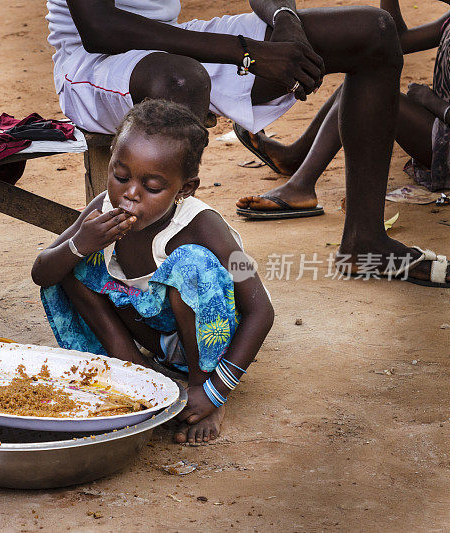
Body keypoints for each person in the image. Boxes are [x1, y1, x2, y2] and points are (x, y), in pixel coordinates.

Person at [46, 0, 450, 287]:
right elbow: (99, 27)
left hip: (172, 42)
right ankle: (146, 277)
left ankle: (366, 241)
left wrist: (284, 17)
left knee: (373, 32)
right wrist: (247, 53)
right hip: (91, 61)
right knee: (182, 79)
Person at [33, 100, 274, 444]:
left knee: (192, 265)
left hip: (210, 341)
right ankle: (135, 371)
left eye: (152, 187)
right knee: (71, 263)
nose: (129, 193)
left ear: (186, 188)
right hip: (152, 334)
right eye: (120, 176)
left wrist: (217, 389)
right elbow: (43, 272)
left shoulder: (202, 226)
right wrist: (81, 244)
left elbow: (260, 310)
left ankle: (202, 391)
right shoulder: (103, 206)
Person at [236, 1, 450, 216]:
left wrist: (430, 101)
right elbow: (397, 41)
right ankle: (295, 157)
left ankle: (300, 186)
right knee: (358, 88)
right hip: (439, 126)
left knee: (362, 92)